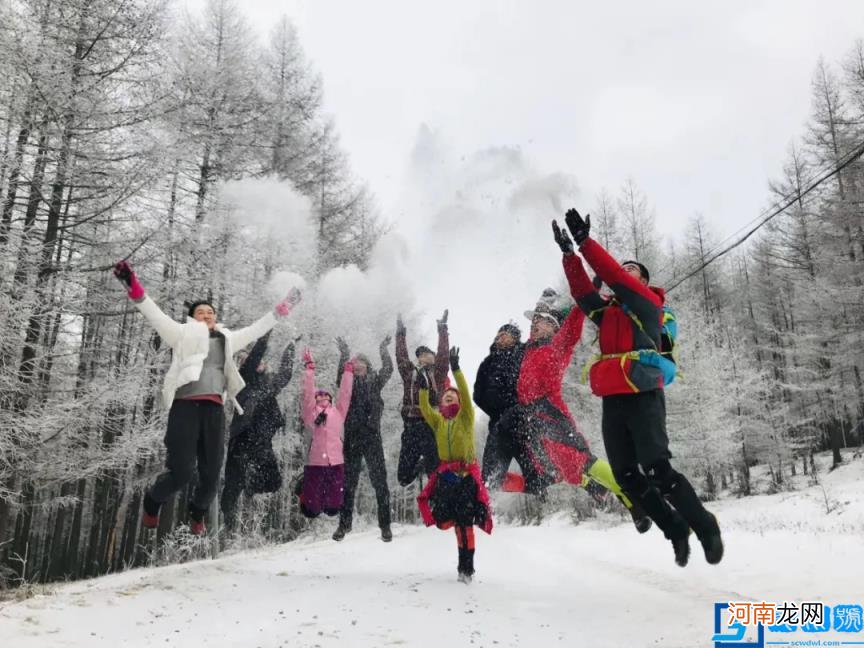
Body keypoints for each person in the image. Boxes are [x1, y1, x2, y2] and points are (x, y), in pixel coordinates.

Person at [555, 209, 723, 566]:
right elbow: (584, 292)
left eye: (635, 270)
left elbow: (613, 276)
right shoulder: (607, 313)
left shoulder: (648, 305)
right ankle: (675, 529)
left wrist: (586, 243)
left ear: (642, 282)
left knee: (658, 469)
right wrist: (570, 255)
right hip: (613, 396)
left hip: (643, 391)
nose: (626, 272)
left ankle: (705, 524)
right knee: (625, 475)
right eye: (625, 267)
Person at [112, 260, 301, 536]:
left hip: (213, 411)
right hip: (185, 408)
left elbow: (258, 328)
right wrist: (132, 284)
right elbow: (153, 313)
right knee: (182, 471)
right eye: (200, 312)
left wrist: (284, 306)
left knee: (212, 476)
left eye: (210, 312)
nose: (206, 315)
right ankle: (153, 502)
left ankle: (197, 512)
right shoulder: (180, 334)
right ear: (192, 318)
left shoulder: (227, 339)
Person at [417, 346, 492, 584]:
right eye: (445, 394)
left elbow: (467, 397)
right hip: (447, 478)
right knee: (449, 521)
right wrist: (423, 389)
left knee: (465, 523)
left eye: (453, 394)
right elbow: (425, 409)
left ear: (459, 399)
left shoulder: (466, 417)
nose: (449, 395)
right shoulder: (439, 421)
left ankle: (466, 568)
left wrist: (457, 369)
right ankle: (463, 563)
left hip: (466, 477)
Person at [220, 331, 296, 533]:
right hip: (243, 435)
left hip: (262, 438)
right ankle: (226, 519)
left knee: (272, 481)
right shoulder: (242, 379)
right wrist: (265, 335)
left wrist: (290, 348)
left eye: (260, 361)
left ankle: (250, 498)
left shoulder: (270, 384)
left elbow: (285, 375)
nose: (256, 363)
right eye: (248, 360)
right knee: (232, 482)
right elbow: (253, 358)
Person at [332, 335, 394, 542]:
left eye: (361, 362)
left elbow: (388, 369)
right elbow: (341, 374)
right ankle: (344, 524)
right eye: (355, 362)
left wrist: (383, 348)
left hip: (371, 436)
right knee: (348, 483)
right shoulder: (346, 383)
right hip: (351, 438)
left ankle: (385, 525)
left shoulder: (375, 382)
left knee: (380, 483)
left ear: (367, 366)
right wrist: (344, 354)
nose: (357, 365)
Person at [394, 310, 450, 486]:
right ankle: (423, 465)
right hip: (410, 427)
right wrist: (401, 333)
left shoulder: (438, 373)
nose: (423, 357)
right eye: (420, 355)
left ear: (434, 358)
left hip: (431, 427)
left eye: (427, 354)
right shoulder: (409, 373)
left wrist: (442, 330)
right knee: (403, 478)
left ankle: (437, 504)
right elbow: (401, 356)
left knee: (436, 474)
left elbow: (444, 355)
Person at [298, 348, 354, 518]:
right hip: (315, 462)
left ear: (330, 398)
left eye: (325, 395)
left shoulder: (338, 412)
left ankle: (328, 506)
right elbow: (307, 393)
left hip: (336, 462)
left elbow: (345, 394)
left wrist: (348, 373)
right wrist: (309, 368)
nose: (322, 397)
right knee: (312, 508)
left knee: (333, 507)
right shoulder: (310, 412)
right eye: (319, 395)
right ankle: (305, 500)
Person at [473, 323, 527, 489]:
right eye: (498, 335)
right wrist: (496, 411)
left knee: (539, 473)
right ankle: (492, 508)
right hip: (497, 424)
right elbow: (478, 395)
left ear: (515, 338)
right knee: (489, 478)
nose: (499, 337)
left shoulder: (525, 353)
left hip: (524, 422)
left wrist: (517, 406)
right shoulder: (487, 363)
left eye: (505, 334)